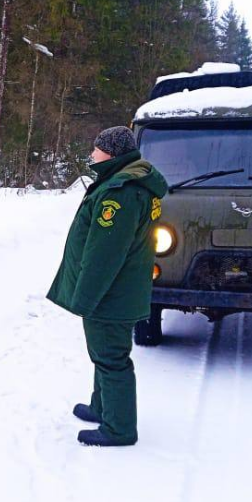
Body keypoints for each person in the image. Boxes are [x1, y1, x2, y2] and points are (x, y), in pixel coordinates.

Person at [47, 126, 167, 447]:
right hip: (119, 290)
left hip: (111, 293)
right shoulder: (128, 182)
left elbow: (104, 255)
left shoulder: (121, 192)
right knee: (103, 352)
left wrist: (85, 298)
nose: (92, 153)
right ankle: (102, 406)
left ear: (112, 154)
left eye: (97, 148)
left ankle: (119, 428)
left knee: (112, 357)